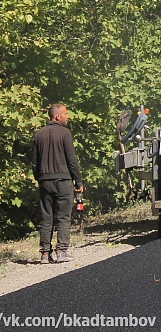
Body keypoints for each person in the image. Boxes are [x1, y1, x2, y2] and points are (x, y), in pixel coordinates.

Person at [32, 104, 84, 264]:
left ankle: (45, 254)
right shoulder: (65, 133)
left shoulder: (38, 134)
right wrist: (78, 181)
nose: (68, 117)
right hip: (63, 180)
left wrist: (39, 178)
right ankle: (61, 251)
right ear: (57, 117)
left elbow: (34, 162)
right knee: (63, 216)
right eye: (65, 114)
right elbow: (71, 160)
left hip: (45, 181)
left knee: (46, 217)